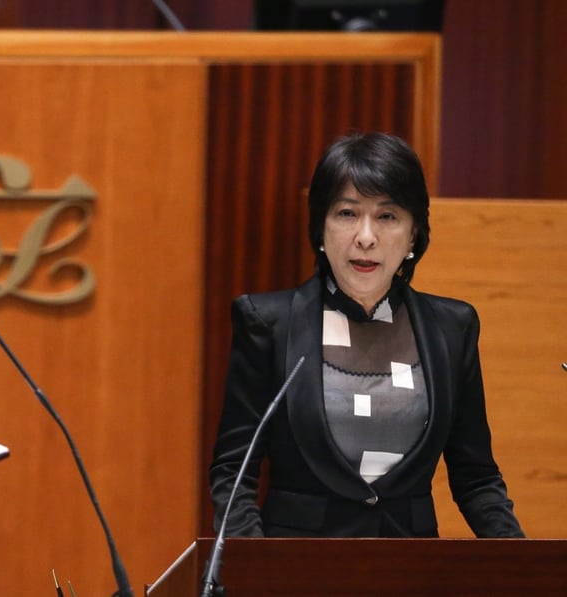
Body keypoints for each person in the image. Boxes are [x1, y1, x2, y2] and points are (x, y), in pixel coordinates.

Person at [209, 132, 524, 538]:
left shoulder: (452, 328)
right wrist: (256, 571)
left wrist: (521, 566)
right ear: (320, 228)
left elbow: (476, 477)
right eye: (346, 213)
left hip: (409, 572)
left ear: (413, 235)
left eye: (387, 216)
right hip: (296, 573)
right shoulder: (268, 324)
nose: (366, 237)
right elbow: (235, 471)